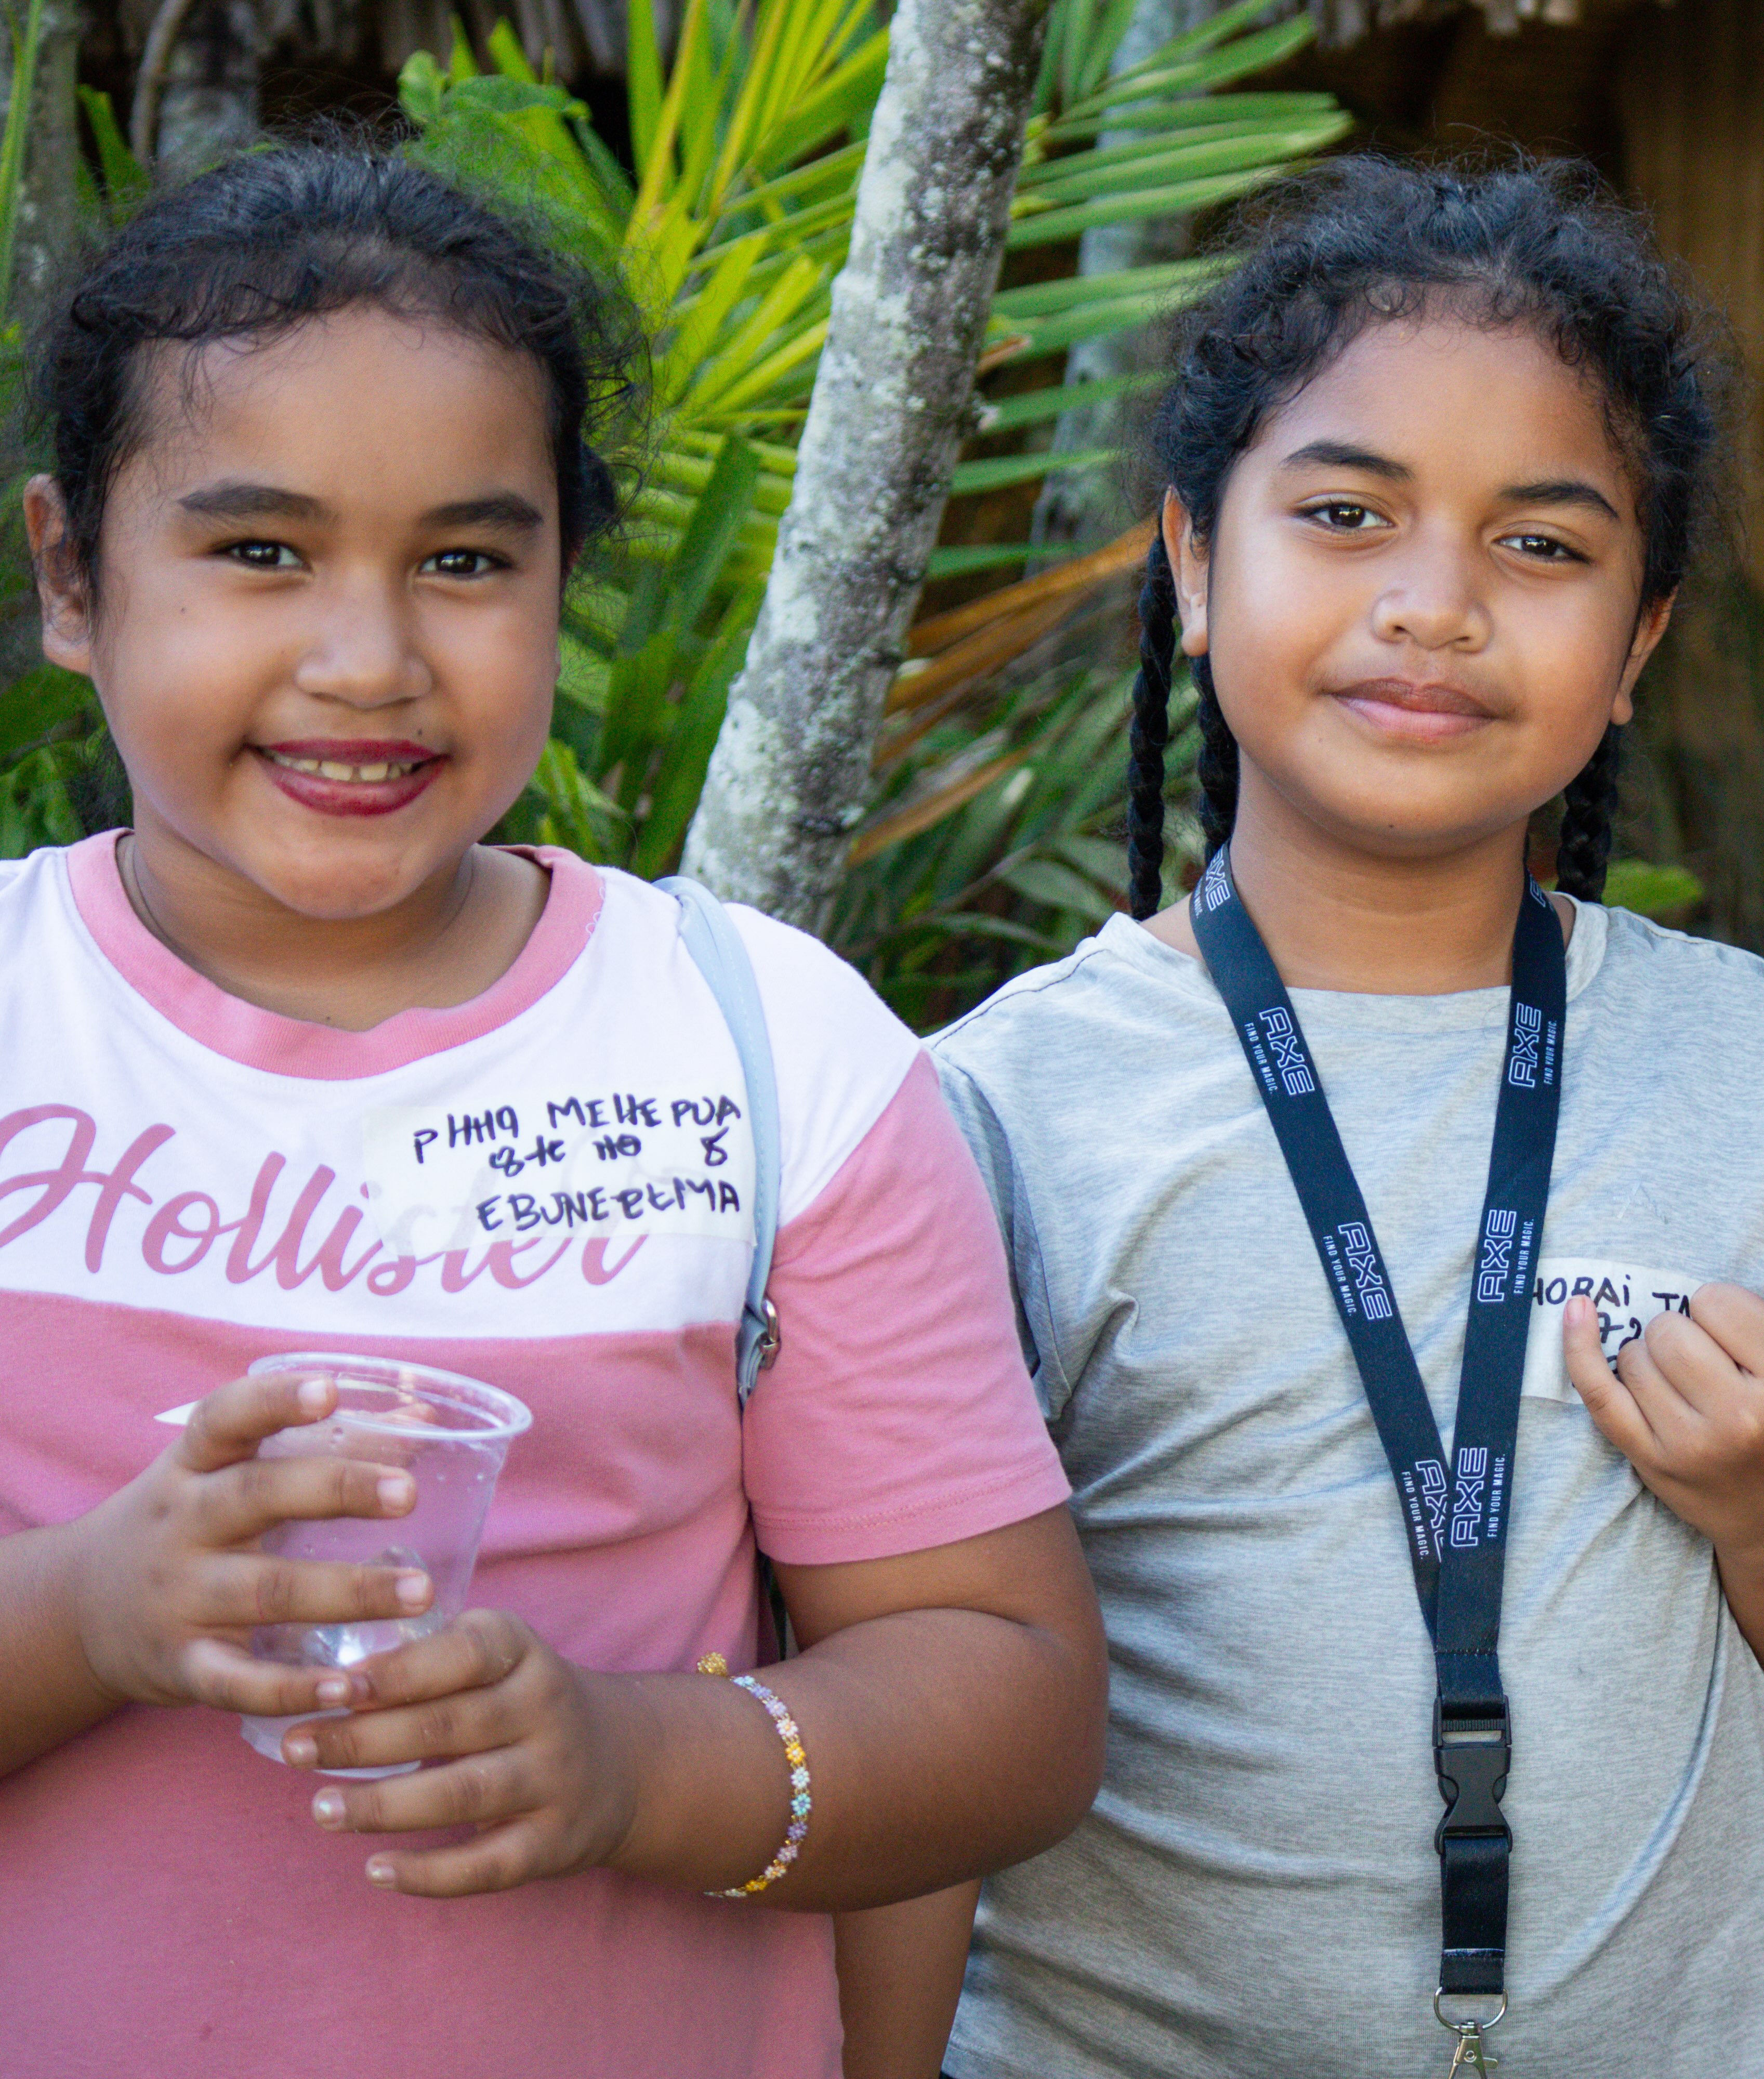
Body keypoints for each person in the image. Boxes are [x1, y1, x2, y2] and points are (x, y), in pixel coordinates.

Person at [0, 146, 1104, 2076]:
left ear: (566, 582)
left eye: (465, 558)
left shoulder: (763, 1056)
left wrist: (628, 1765)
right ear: (74, 578)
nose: (368, 660)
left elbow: (1008, 1698)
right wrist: (96, 1610)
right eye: (258, 551)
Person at [914, 157, 1764, 2079]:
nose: (1436, 607)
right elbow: (934, 1675)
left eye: (1542, 547)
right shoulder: (1009, 1104)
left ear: (1635, 649)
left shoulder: (1749, 1056)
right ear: (1198, 572)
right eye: (1349, 515)